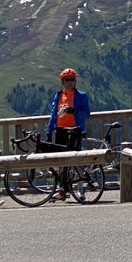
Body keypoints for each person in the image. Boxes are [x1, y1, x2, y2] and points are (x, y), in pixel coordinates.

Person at [45, 68, 90, 201]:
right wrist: (49, 132)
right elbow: (53, 115)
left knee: (74, 159)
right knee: (61, 161)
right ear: (62, 81)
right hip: (60, 130)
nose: (70, 82)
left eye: (72, 79)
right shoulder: (58, 96)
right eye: (67, 80)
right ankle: (62, 190)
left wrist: (74, 112)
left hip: (75, 130)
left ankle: (81, 189)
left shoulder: (81, 95)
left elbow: (87, 114)